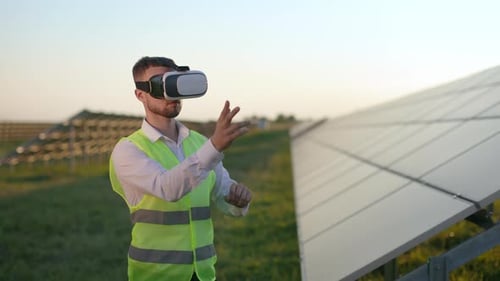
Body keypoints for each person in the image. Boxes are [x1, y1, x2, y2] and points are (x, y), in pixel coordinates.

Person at [109, 56, 252, 281]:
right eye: (160, 85)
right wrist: (214, 146)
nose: (170, 93)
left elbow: (223, 193)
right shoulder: (128, 150)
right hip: (155, 275)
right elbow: (167, 188)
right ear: (140, 95)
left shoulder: (200, 144)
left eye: (174, 83)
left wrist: (238, 202)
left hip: (203, 273)